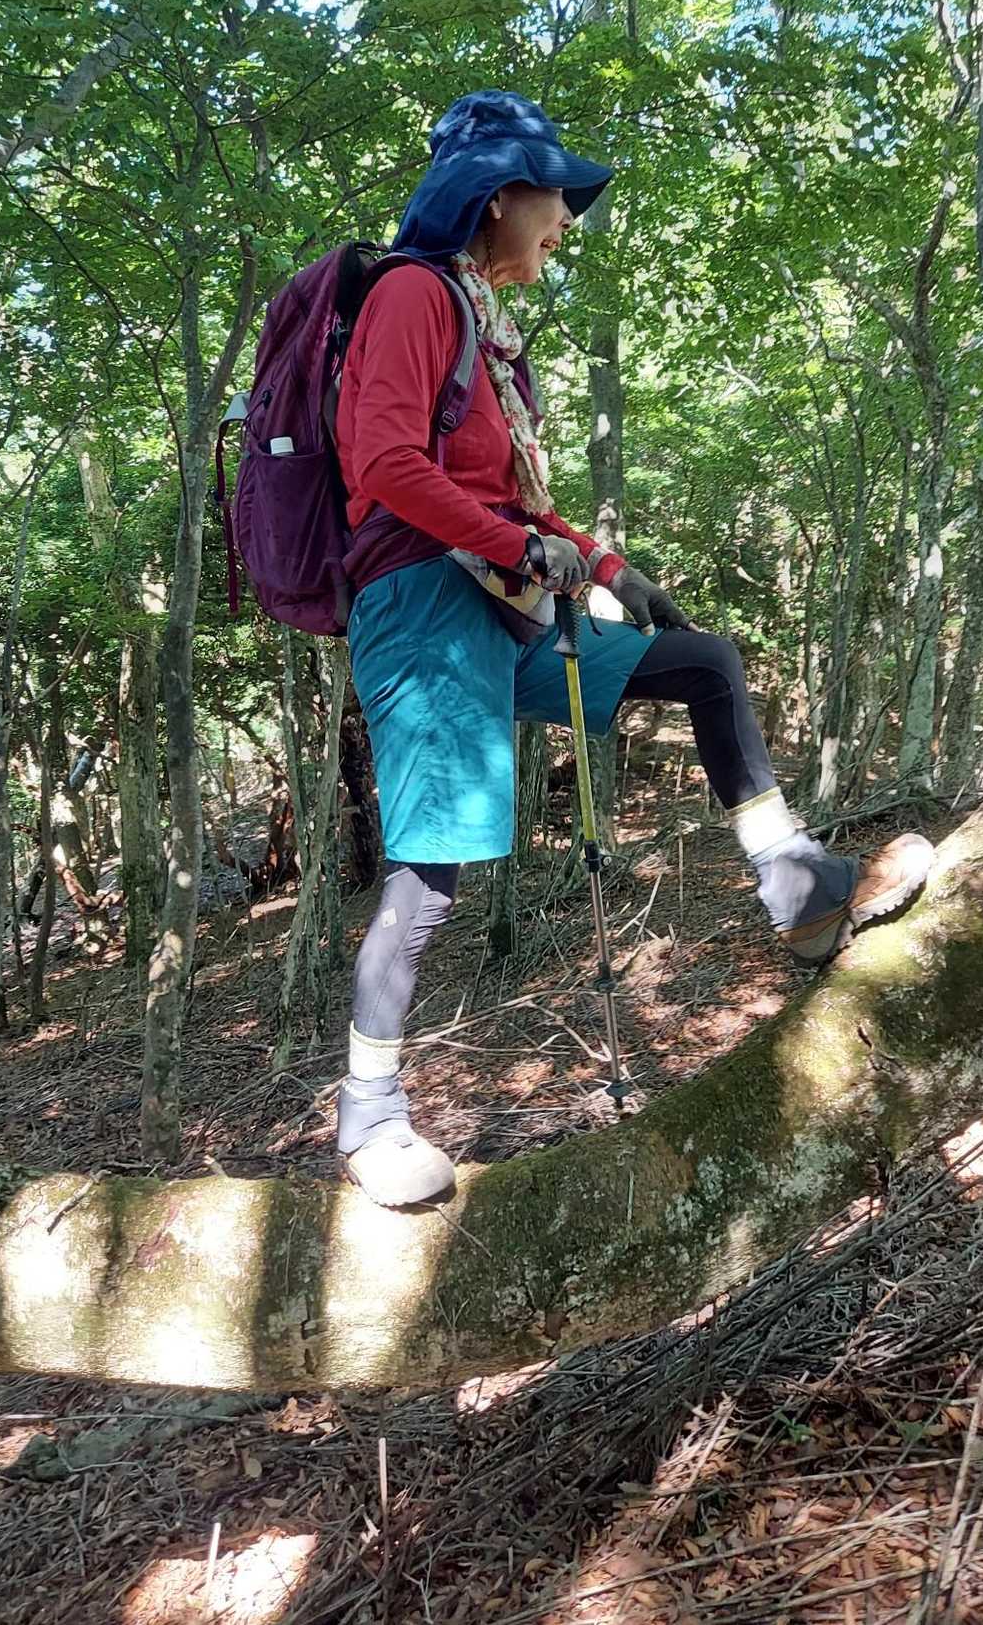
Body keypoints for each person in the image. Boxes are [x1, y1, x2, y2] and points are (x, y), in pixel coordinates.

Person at [333, 90, 933, 1208]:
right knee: (430, 874)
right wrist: (525, 546)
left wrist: (609, 568)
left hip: (504, 603)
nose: (568, 219)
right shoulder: (414, 293)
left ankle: (801, 889)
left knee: (705, 663)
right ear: (497, 195)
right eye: (558, 195)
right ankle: (368, 1111)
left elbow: (504, 494)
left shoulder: (484, 325)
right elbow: (382, 464)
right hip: (422, 608)